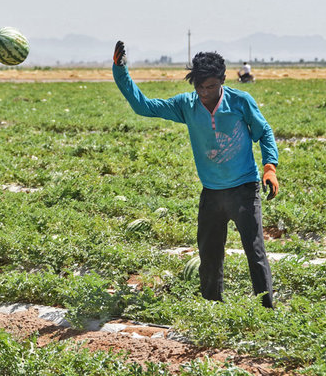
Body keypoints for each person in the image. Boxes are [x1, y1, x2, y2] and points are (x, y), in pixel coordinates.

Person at [112, 41, 278, 308]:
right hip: (212, 192)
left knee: (255, 251)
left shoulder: (240, 102)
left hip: (244, 189)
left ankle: (267, 310)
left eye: (210, 86)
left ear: (222, 80)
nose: (204, 92)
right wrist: (121, 71)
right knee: (209, 255)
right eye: (199, 87)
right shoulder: (186, 105)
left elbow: (265, 132)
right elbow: (143, 106)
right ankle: (212, 309)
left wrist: (270, 167)